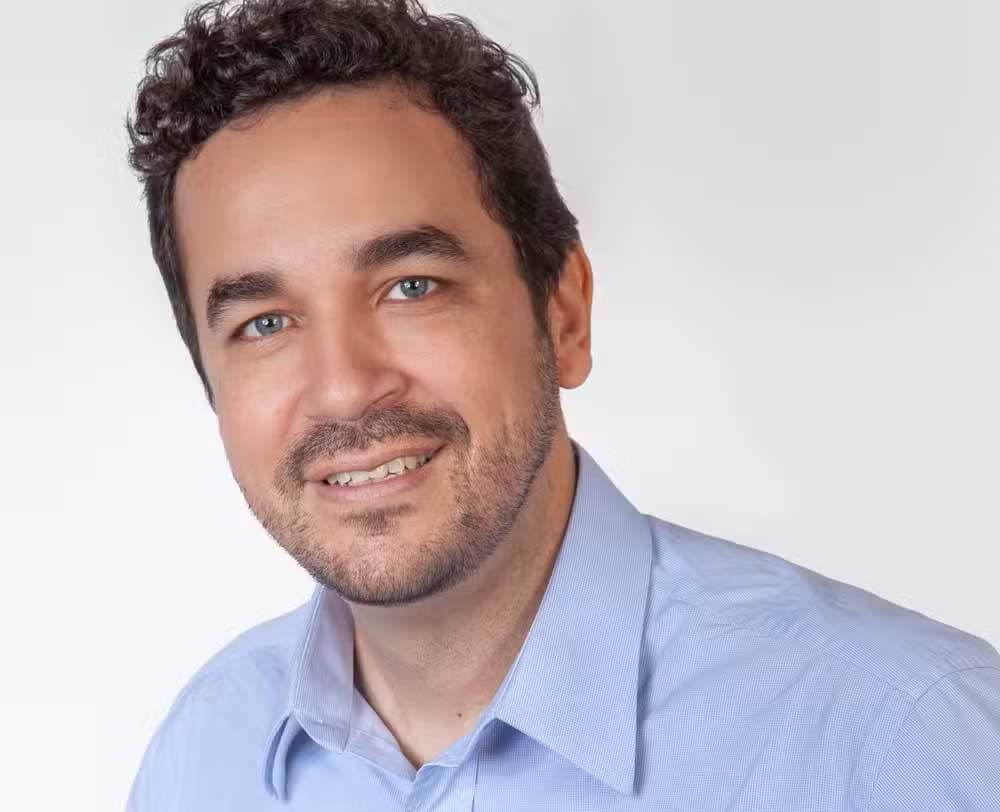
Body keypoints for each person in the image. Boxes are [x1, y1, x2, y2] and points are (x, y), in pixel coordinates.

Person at [123, 0, 1000, 809]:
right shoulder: (204, 756)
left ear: (564, 313)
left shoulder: (901, 740)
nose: (345, 387)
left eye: (412, 286)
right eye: (264, 323)